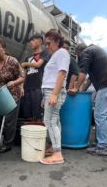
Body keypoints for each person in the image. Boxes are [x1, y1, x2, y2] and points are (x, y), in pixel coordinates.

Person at [69, 44, 107, 156]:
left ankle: (102, 146)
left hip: (105, 86)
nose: (78, 58)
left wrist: (76, 88)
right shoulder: (97, 50)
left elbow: (83, 71)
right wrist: (82, 90)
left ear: (80, 52)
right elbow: (90, 78)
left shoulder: (87, 52)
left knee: (100, 115)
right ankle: (105, 143)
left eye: (77, 55)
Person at [40, 29, 70, 165]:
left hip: (54, 91)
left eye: (49, 43)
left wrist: (54, 94)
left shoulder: (62, 53)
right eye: (45, 44)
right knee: (55, 120)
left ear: (57, 42)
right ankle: (54, 147)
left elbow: (62, 73)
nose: (47, 47)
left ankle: (57, 154)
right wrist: (46, 96)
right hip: (50, 92)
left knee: (49, 121)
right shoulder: (56, 55)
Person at [20, 34, 49, 120]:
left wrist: (25, 64)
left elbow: (38, 64)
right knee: (27, 113)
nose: (30, 43)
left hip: (38, 88)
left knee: (37, 113)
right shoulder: (28, 57)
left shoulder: (44, 53)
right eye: (30, 41)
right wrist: (21, 87)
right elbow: (23, 74)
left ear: (39, 42)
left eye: (33, 40)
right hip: (27, 88)